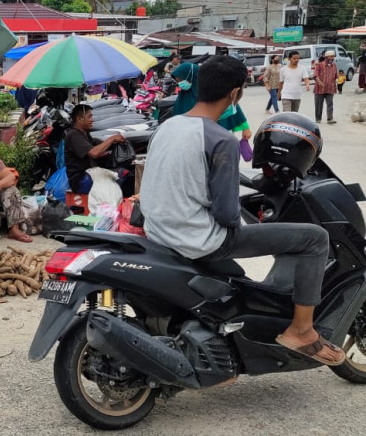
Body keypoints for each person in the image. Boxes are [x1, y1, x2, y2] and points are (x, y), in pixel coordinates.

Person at [140, 55, 344, 367]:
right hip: (200, 241)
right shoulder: (221, 139)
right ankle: (301, 330)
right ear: (236, 93)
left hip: (159, 233)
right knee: (314, 239)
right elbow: (226, 214)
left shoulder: (168, 126)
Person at [172, 62, 253, 141]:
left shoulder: (212, 90)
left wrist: (245, 128)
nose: (180, 83)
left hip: (221, 134)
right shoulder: (183, 97)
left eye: (181, 80)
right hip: (195, 138)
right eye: (177, 81)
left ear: (192, 77)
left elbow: (232, 106)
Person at [63, 104, 129, 195]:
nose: (92, 120)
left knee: (121, 170)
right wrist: (111, 139)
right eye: (89, 117)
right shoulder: (74, 135)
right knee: (123, 174)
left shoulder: (85, 133)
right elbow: (94, 152)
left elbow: (96, 150)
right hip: (81, 181)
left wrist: (111, 147)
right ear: (79, 119)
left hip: (89, 174)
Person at [313, 50, 338, 125]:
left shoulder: (334, 65)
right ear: (326, 57)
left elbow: (336, 76)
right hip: (319, 89)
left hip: (330, 88)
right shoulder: (319, 65)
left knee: (330, 104)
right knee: (318, 105)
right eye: (330, 57)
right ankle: (318, 119)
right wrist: (319, 82)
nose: (332, 58)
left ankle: (330, 119)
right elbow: (315, 75)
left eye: (333, 57)